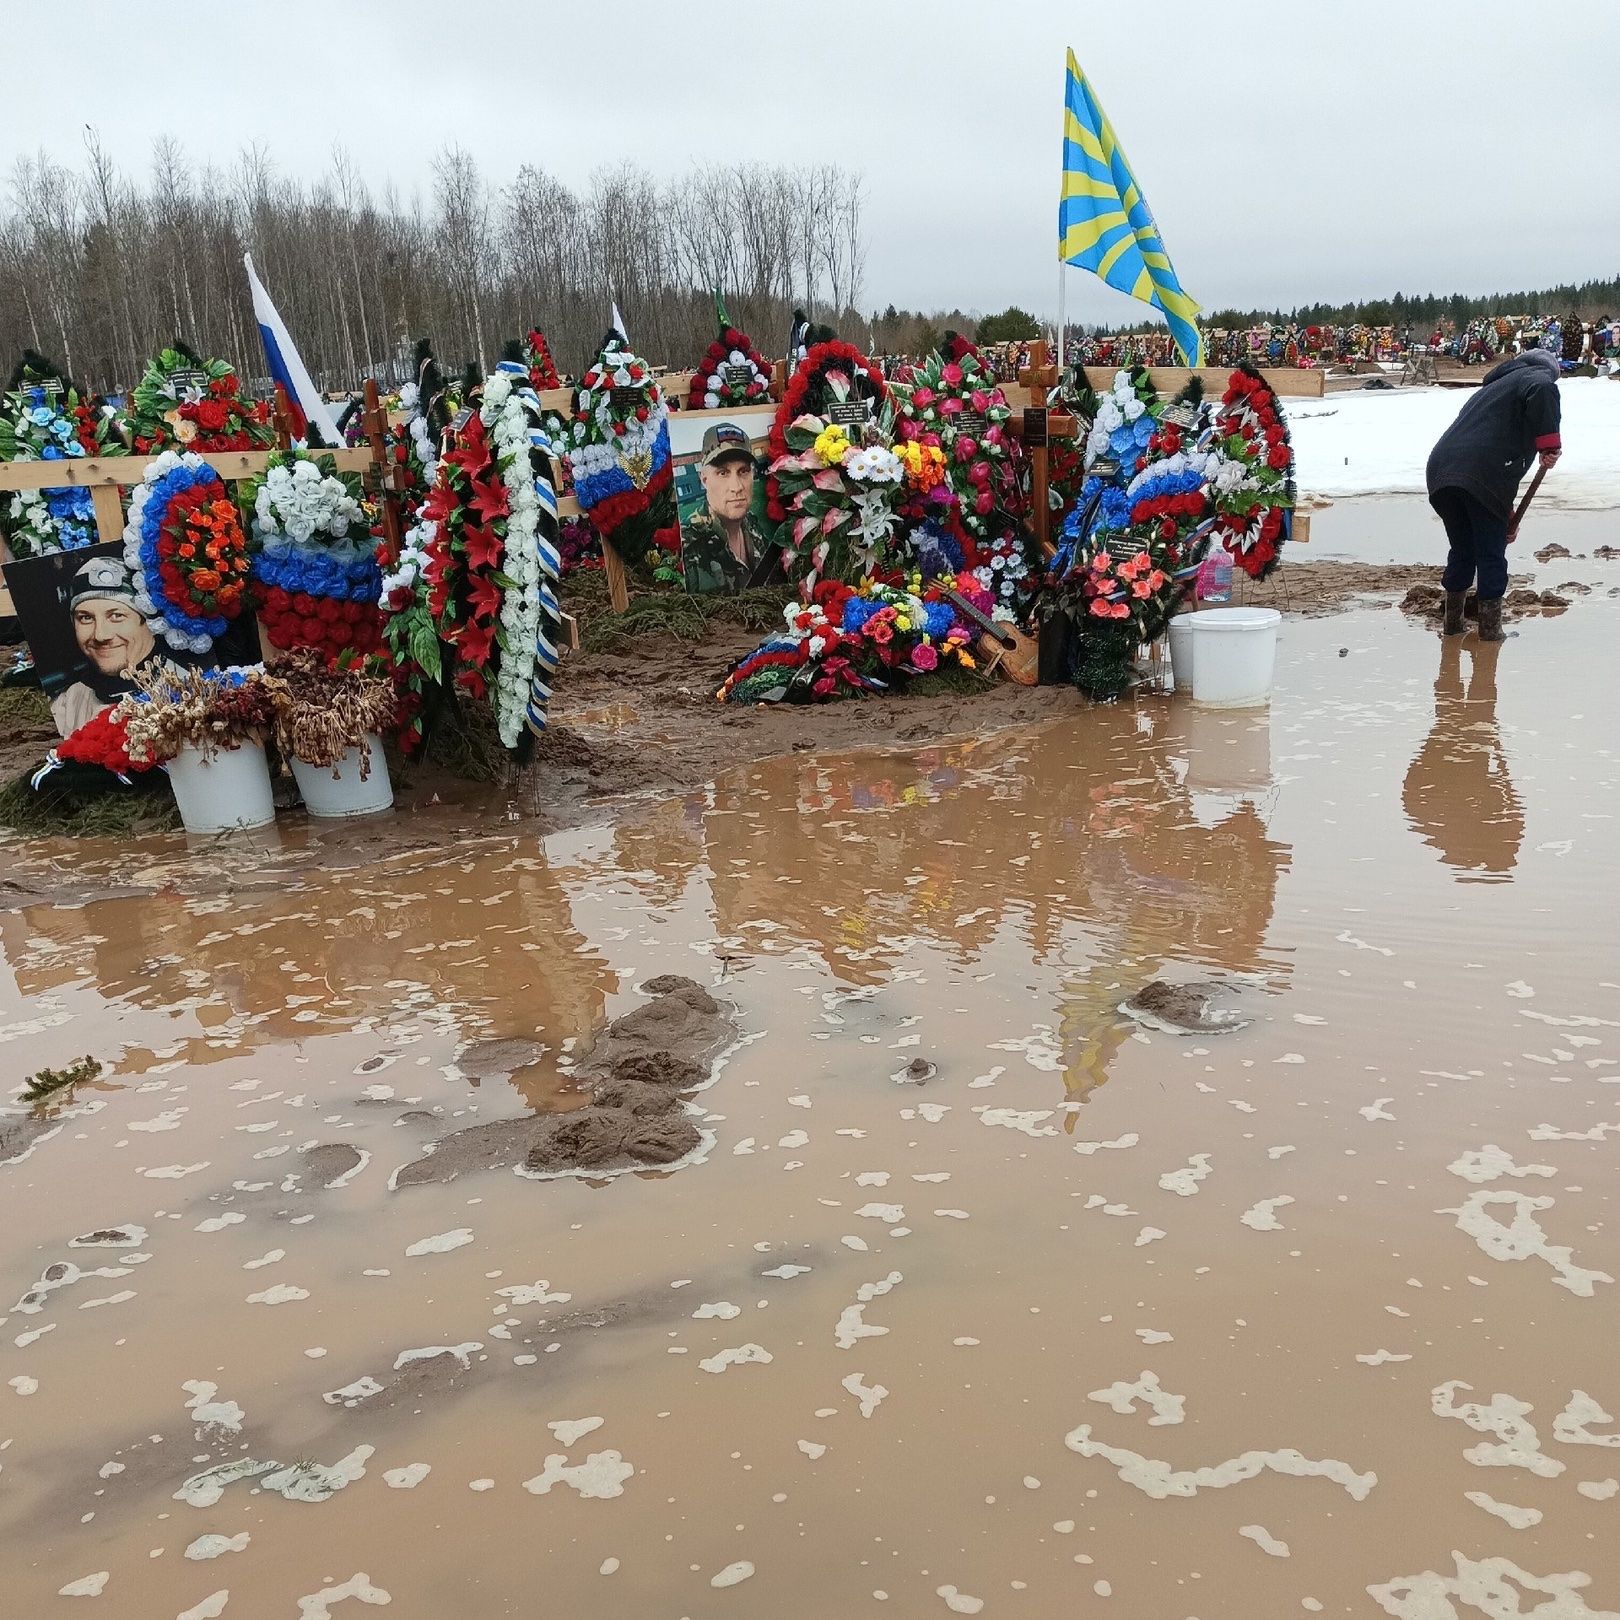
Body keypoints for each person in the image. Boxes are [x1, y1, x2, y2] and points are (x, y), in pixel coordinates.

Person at [1425, 348, 1561, 641]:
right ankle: (1489, 633)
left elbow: (1489, 455)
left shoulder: (1493, 390)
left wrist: (1505, 515)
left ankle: (1453, 626)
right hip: (1480, 474)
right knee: (1490, 554)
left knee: (1463, 549)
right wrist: (1549, 445)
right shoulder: (1536, 377)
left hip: (1441, 473)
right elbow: (1542, 388)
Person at [1402, 637, 1522, 881]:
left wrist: (1491, 738)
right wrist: (1490, 736)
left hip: (1425, 790)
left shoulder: (1466, 846)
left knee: (1458, 726)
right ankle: (1476, 665)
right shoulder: (1461, 842)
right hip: (1425, 786)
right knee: (1467, 731)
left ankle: (1460, 656)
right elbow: (1508, 790)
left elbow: (1508, 792)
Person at [49, 554, 160, 736]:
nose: (101, 635)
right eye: (85, 618)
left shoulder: (195, 687)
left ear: (148, 622)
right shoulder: (66, 705)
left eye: (116, 616)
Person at [680, 422, 778, 594]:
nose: (737, 486)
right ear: (704, 480)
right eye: (723, 473)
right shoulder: (689, 545)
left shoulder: (752, 524)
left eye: (743, 471)